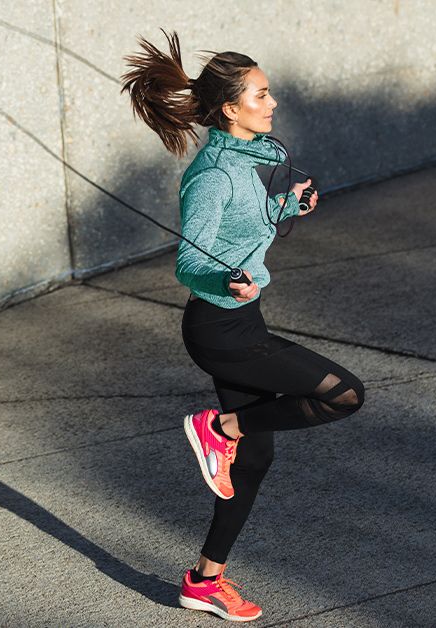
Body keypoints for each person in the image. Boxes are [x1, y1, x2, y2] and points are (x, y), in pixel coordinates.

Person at [121, 30, 366, 622]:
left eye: (269, 91)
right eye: (261, 95)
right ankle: (220, 426)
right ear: (231, 109)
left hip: (241, 322)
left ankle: (205, 581)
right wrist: (225, 280)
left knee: (254, 464)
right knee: (344, 394)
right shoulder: (211, 175)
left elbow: (249, 220)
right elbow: (191, 259)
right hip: (221, 331)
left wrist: (289, 205)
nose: (273, 102)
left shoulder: (256, 157)